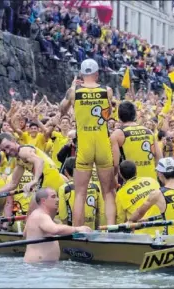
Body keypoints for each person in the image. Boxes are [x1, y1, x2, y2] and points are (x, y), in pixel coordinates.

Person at [60, 59, 116, 226]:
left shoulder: (73, 91)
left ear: (82, 75)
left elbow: (62, 110)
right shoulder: (107, 90)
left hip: (84, 145)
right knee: (108, 192)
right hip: (103, 145)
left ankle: (78, 230)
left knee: (80, 193)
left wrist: (71, 88)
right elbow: (108, 114)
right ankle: (112, 229)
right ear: (97, 74)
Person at [128, 120, 174, 235]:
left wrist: (130, 222)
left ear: (160, 174)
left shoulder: (156, 194)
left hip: (170, 242)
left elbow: (137, 215)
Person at [0, 133, 66, 210]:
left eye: (8, 146)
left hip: (49, 183)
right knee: (38, 213)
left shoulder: (23, 151)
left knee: (36, 213)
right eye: (4, 150)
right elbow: (13, 183)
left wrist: (35, 180)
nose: (7, 151)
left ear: (14, 140)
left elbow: (39, 161)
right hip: (48, 183)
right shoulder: (19, 159)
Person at [23, 187, 92, 263]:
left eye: (57, 196)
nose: (57, 199)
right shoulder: (41, 216)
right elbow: (55, 230)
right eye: (53, 197)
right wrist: (78, 229)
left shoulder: (35, 215)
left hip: (40, 267)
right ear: (43, 201)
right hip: (39, 268)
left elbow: (25, 233)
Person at [111, 101, 162, 182]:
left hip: (132, 182)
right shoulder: (148, 131)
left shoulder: (117, 134)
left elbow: (115, 164)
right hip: (151, 179)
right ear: (134, 115)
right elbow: (159, 157)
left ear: (119, 116)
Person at [115, 160, 161, 236]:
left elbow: (120, 220)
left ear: (120, 174)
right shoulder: (152, 180)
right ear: (136, 170)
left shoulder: (120, 194)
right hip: (162, 225)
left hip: (141, 233)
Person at [58, 157, 104, 230]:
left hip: (73, 232)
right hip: (91, 231)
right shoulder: (95, 187)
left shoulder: (64, 189)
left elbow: (63, 216)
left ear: (66, 172)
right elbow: (101, 212)